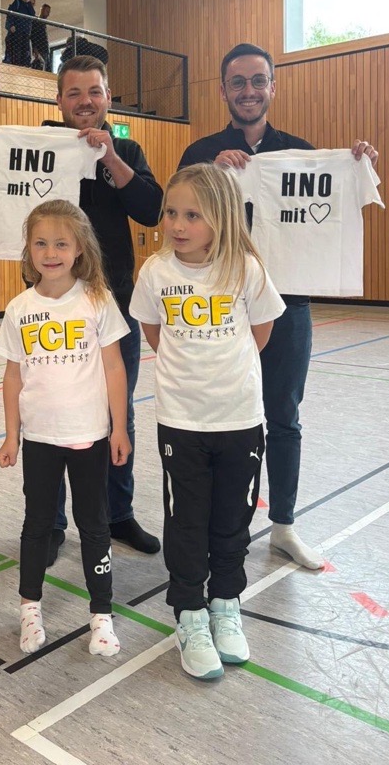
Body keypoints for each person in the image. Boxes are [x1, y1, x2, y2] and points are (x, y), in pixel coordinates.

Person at [179, 42, 379, 570]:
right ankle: (223, 526)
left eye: (257, 80)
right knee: (221, 420)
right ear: (223, 90)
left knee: (283, 417)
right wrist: (211, 173)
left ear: (272, 86)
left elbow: (342, 208)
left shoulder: (302, 153)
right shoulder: (200, 153)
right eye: (238, 82)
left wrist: (355, 166)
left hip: (288, 306)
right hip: (221, 309)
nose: (248, 91)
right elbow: (173, 215)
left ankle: (284, 527)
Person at [0, 54, 163, 561]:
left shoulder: (126, 149)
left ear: (108, 97)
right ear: (58, 100)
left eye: (94, 91)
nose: (85, 101)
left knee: (117, 409)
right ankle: (49, 523)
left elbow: (151, 209)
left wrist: (111, 159)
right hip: (47, 308)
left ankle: (117, 515)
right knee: (45, 408)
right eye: (74, 93)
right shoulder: (34, 144)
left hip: (110, 304)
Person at [130, 164, 285, 680]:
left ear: (221, 217)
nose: (178, 224)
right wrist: (191, 375)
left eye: (193, 215)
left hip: (239, 418)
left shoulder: (246, 269)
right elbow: (154, 332)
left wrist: (225, 375)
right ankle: (190, 614)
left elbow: (259, 332)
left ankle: (225, 604)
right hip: (181, 421)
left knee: (232, 520)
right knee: (186, 520)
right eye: (171, 212)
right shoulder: (156, 272)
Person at [0, 200, 130, 657]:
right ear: (28, 249)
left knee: (94, 525)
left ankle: (102, 615)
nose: (50, 252)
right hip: (39, 438)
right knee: (36, 524)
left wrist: (118, 428)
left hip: (89, 434)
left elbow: (114, 367)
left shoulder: (97, 299)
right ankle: (29, 609)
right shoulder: (19, 308)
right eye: (40, 243)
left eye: (60, 243)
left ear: (79, 249)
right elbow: (12, 376)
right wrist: (11, 434)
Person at [4, 0, 35, 67]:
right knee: (17, 49)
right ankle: (17, 64)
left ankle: (24, 65)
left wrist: (29, 4)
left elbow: (33, 14)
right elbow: (10, 14)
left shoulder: (28, 5)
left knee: (25, 49)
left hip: (25, 32)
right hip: (17, 31)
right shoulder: (17, 2)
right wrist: (11, 25)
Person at [31, 2, 52, 71]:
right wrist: (35, 50)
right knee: (41, 67)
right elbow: (33, 36)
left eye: (49, 12)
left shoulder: (43, 23)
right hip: (40, 49)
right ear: (42, 10)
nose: (48, 14)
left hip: (45, 50)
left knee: (47, 69)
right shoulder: (36, 21)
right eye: (47, 11)